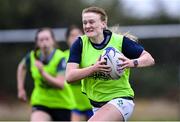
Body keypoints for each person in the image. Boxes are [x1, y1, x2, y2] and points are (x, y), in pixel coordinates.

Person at [66, 6, 155, 121]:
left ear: (103, 23)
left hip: (121, 100)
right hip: (96, 105)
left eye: (92, 22)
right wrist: (94, 68)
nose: (87, 26)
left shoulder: (120, 41)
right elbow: (69, 76)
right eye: (85, 23)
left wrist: (131, 62)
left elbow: (149, 58)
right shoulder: (79, 44)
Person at [17, 27, 75, 121]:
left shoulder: (61, 58)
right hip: (41, 102)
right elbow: (21, 67)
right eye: (41, 40)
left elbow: (60, 84)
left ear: (53, 41)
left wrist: (42, 73)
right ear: (37, 43)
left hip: (62, 104)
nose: (44, 42)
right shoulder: (32, 56)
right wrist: (20, 89)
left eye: (47, 39)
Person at [64, 25, 93, 121]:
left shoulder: (90, 54)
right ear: (67, 39)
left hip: (92, 101)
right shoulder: (63, 57)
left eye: (78, 35)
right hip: (73, 103)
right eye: (72, 35)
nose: (75, 38)